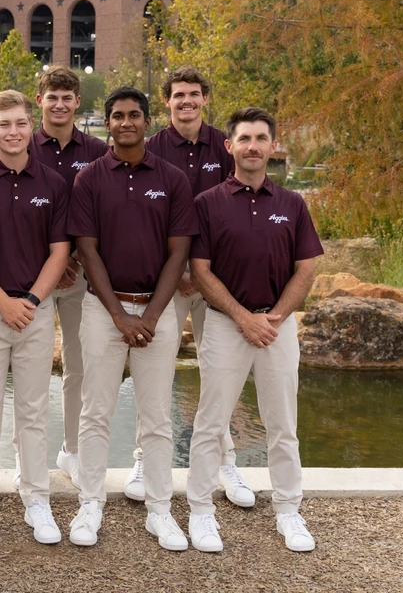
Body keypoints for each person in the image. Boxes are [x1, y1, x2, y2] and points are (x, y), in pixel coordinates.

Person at [187, 107, 322, 553]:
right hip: (226, 325)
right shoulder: (207, 204)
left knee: (283, 425)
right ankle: (200, 512)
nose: (252, 146)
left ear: (272, 146)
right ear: (230, 146)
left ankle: (288, 510)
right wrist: (244, 318)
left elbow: (306, 269)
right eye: (244, 138)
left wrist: (275, 317)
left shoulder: (292, 204)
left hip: (277, 327)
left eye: (261, 138)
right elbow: (200, 271)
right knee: (210, 423)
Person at [68, 87, 196, 551]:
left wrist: (152, 315)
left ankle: (160, 510)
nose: (126, 122)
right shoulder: (89, 179)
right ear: (107, 123)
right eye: (118, 115)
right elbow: (87, 251)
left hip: (158, 310)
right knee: (95, 412)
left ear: (147, 121)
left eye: (134, 115)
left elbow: (179, 252)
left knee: (157, 416)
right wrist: (120, 315)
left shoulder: (173, 179)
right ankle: (90, 503)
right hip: (104, 311)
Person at [138, 67, 251, 507]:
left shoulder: (225, 146)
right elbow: (144, 219)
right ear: (166, 101)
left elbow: (235, 210)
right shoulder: (150, 149)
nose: (186, 101)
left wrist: (203, 273)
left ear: (205, 99)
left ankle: (226, 462)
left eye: (194, 94)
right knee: (155, 370)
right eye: (178, 94)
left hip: (216, 279)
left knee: (218, 372)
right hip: (167, 279)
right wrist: (178, 271)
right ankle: (144, 459)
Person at [0, 90, 70, 545]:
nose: (13, 132)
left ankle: (36, 499)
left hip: (36, 313)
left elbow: (60, 252)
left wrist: (31, 300)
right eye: (4, 124)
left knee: (32, 411)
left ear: (31, 127)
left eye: (21, 123)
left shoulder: (54, 184)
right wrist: (3, 302)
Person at [27, 67, 108, 487]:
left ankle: (72, 449)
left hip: (80, 274)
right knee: (31, 368)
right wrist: (51, 264)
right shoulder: (21, 145)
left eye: (67, 97)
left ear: (78, 102)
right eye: (52, 96)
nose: (59, 104)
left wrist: (72, 257)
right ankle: (28, 457)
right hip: (33, 276)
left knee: (79, 365)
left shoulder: (97, 150)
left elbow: (103, 211)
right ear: (39, 100)